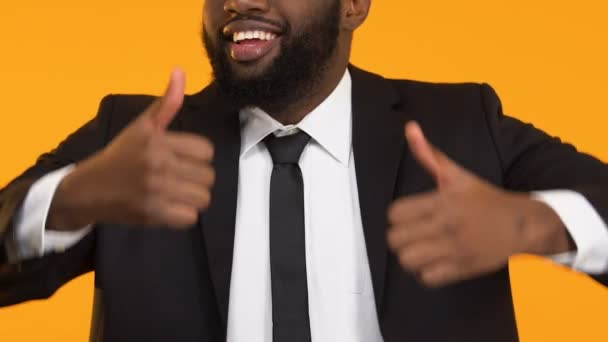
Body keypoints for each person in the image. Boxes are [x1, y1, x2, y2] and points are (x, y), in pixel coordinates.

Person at [1, 0, 607, 341]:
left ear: (353, 5)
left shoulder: (460, 124)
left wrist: (532, 225)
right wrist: (69, 200)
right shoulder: (136, 141)